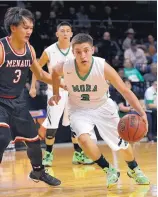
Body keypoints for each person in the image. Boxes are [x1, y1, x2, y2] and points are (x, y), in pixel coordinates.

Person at [49, 33, 150, 188]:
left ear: (92, 50)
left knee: (122, 143)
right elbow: (54, 73)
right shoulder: (66, 66)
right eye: (78, 51)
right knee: (83, 140)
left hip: (103, 107)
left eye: (86, 50)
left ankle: (134, 168)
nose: (82, 55)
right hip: (78, 109)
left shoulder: (102, 66)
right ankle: (109, 170)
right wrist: (56, 93)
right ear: (72, 52)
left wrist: (142, 113)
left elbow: (125, 91)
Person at [0, 7, 61, 186]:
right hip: (1, 102)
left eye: (31, 28)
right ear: (13, 27)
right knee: (2, 138)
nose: (29, 31)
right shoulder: (2, 49)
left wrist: (63, 84)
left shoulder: (30, 50)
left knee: (34, 141)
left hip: (18, 102)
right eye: (25, 27)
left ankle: (38, 172)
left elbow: (41, 75)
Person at [29, 21, 94, 166]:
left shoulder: (76, 50)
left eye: (68, 31)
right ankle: (48, 155)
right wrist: (33, 86)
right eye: (62, 31)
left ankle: (78, 154)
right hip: (55, 91)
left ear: (72, 34)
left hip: (73, 92)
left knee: (75, 124)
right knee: (52, 125)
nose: (65, 33)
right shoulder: (49, 50)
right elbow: (37, 68)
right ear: (57, 33)